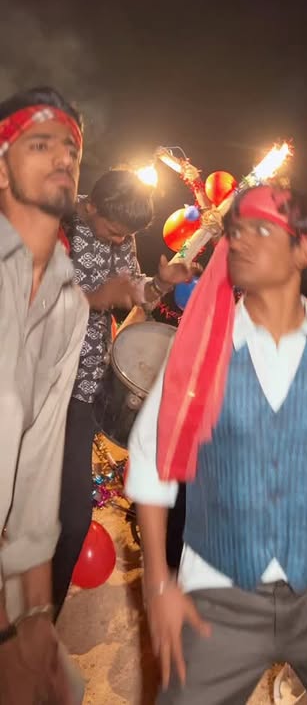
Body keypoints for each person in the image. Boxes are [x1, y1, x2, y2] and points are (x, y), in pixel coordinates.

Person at [126, 184, 307, 705]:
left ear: (304, 249)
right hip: (218, 594)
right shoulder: (199, 351)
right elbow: (150, 461)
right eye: (237, 230)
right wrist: (158, 584)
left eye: (261, 228)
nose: (241, 241)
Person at [52, 168, 196, 617]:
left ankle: (42, 622)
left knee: (73, 519)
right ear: (91, 205)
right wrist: (94, 298)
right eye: (114, 231)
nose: (119, 241)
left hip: (82, 388)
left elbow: (136, 291)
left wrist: (161, 284)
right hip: (35, 382)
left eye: (126, 236)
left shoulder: (122, 236)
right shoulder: (52, 219)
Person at [0, 87, 89, 702]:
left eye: (72, 150)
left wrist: (34, 617)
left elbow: (37, 466)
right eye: (40, 144)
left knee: (61, 688)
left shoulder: (69, 303)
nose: (63, 158)